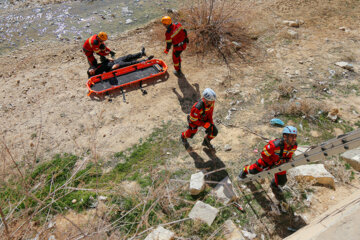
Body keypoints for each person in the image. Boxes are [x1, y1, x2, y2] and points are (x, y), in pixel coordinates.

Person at [238, 126, 298, 199]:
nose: (294, 139)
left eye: (295, 136)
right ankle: (244, 170)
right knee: (254, 170)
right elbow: (264, 155)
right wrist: (270, 164)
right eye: (292, 136)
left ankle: (274, 185)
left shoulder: (294, 145)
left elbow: (289, 155)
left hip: (279, 163)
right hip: (267, 162)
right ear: (285, 136)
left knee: (282, 181)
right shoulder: (274, 145)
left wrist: (286, 161)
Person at [87, 47, 153, 77]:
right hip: (116, 65)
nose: (92, 70)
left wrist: (108, 59)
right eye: (92, 73)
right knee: (130, 63)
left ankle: (141, 53)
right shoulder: (98, 73)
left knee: (128, 56)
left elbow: (104, 63)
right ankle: (145, 60)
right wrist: (113, 68)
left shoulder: (95, 66)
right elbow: (107, 73)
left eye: (91, 70)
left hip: (114, 61)